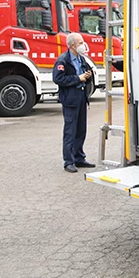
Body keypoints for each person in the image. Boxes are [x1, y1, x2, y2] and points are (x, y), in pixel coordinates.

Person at [53, 32, 95, 173]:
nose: (83, 45)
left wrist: (87, 76)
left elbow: (85, 74)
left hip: (81, 96)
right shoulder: (63, 60)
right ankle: (68, 161)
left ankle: (79, 158)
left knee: (81, 129)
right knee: (70, 131)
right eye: (80, 43)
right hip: (70, 98)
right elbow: (58, 79)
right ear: (72, 46)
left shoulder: (81, 59)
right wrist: (78, 78)